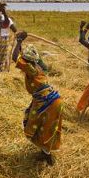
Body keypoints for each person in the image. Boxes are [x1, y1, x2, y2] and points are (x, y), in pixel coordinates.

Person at [11, 31, 63, 165]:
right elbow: (22, 56)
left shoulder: (30, 69)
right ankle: (44, 153)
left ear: (27, 61)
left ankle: (47, 157)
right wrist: (21, 43)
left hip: (46, 102)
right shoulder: (39, 65)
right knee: (44, 127)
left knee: (34, 125)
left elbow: (15, 56)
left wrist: (19, 40)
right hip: (53, 100)